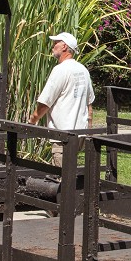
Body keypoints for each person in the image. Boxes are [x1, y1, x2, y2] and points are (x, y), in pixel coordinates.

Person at [28, 32, 95, 166]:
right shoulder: (83, 70)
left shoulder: (60, 70)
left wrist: (32, 120)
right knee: (71, 172)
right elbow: (90, 105)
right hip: (79, 134)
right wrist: (89, 129)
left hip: (63, 136)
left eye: (55, 43)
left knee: (63, 178)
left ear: (64, 46)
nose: (53, 46)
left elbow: (45, 103)